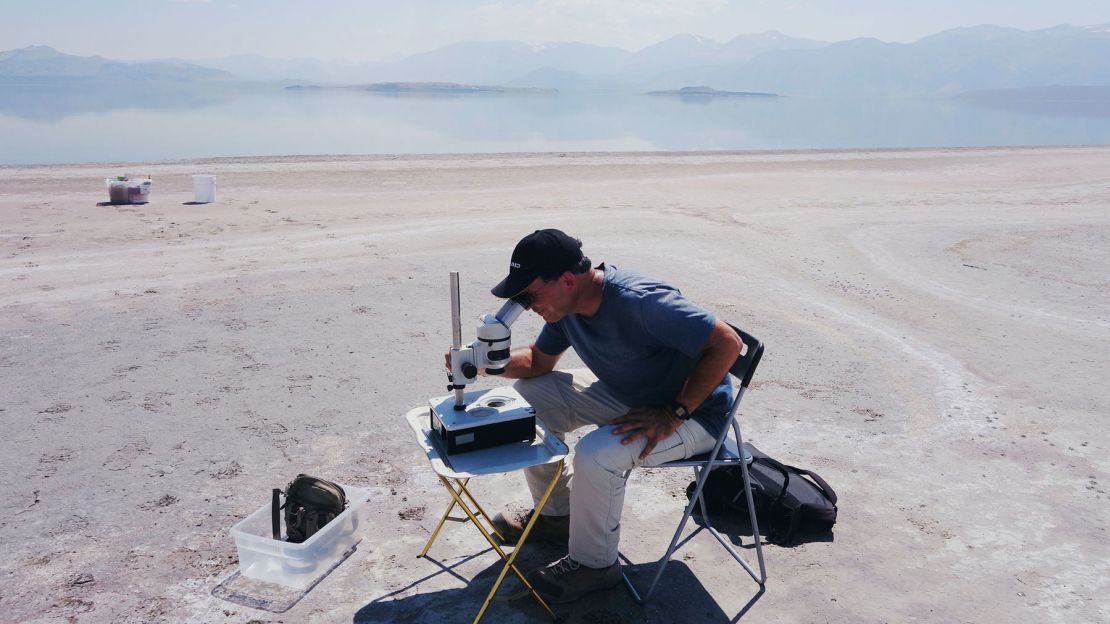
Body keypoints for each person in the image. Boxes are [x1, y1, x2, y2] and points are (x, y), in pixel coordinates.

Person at [476, 228, 742, 604]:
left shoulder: (641, 302)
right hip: (628, 392)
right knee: (527, 403)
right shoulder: (565, 307)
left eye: (530, 295)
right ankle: (557, 516)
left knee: (596, 455)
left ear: (567, 280)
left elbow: (728, 344)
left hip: (695, 414)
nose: (528, 305)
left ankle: (596, 566)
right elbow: (538, 362)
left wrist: (675, 413)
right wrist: (486, 362)